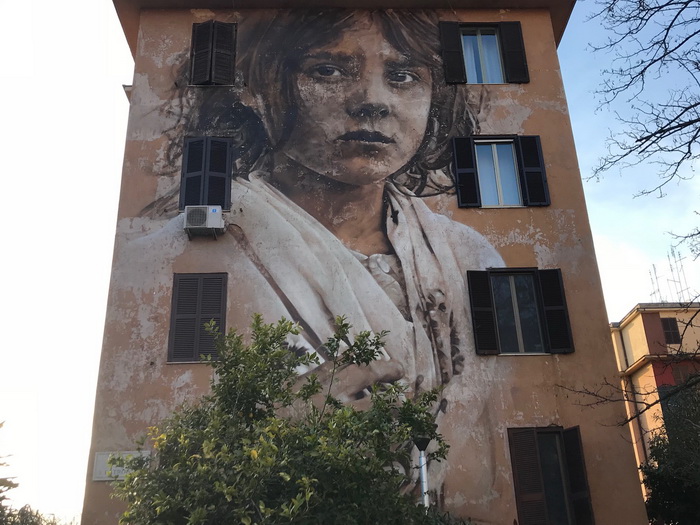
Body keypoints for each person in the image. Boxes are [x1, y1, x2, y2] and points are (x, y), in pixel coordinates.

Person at [174, 9, 505, 406]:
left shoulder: (468, 256)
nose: (373, 102)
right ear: (255, 87)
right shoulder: (178, 256)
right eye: (329, 71)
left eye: (403, 77)